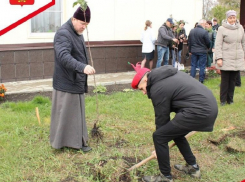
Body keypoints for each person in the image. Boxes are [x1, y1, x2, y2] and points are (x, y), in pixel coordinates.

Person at [130, 64, 218, 182]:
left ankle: (165, 177)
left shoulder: (158, 88)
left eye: (141, 88)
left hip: (199, 111)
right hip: (207, 107)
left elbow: (161, 119)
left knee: (159, 136)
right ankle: (193, 168)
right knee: (175, 132)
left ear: (146, 80)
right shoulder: (167, 76)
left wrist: (160, 146)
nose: (143, 93)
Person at [50, 6, 96, 152]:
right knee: (67, 114)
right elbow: (63, 56)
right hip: (66, 81)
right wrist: (82, 67)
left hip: (76, 80)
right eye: (82, 23)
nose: (84, 27)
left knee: (76, 113)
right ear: (74, 18)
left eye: (86, 25)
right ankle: (65, 142)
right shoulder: (63, 34)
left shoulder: (77, 32)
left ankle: (78, 141)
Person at [215, 10, 245, 106]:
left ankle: (230, 99)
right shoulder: (221, 29)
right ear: (227, 18)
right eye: (230, 17)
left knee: (233, 80)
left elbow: (243, 43)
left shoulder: (240, 28)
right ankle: (223, 100)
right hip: (226, 58)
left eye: (234, 17)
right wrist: (219, 58)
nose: (232, 19)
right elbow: (218, 44)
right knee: (225, 81)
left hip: (237, 58)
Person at [188, 19, 210, 83]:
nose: (206, 25)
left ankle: (192, 79)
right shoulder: (204, 32)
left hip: (194, 51)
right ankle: (201, 80)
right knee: (202, 66)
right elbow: (208, 42)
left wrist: (190, 50)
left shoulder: (192, 31)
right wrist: (208, 48)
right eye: (205, 24)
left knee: (193, 65)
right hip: (202, 51)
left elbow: (189, 42)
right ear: (202, 24)